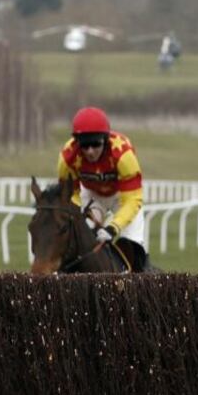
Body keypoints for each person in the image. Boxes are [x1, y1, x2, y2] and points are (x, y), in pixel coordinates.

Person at [57, 106, 150, 272]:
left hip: (122, 197)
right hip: (91, 195)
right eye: (84, 146)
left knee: (133, 246)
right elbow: (70, 195)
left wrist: (113, 227)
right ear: (77, 143)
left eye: (95, 144)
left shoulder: (123, 155)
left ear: (105, 140)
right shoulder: (67, 157)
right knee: (77, 239)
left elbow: (133, 199)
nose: (90, 151)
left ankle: (141, 279)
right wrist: (80, 214)